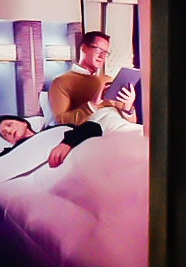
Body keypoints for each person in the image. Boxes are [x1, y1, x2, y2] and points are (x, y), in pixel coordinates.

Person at [43, 30, 136, 166]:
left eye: (105, 52)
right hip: (95, 126)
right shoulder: (61, 82)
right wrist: (92, 105)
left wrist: (128, 107)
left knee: (141, 136)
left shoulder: (108, 79)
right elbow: (61, 121)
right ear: (84, 49)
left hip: (120, 124)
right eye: (98, 50)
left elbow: (132, 121)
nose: (102, 56)